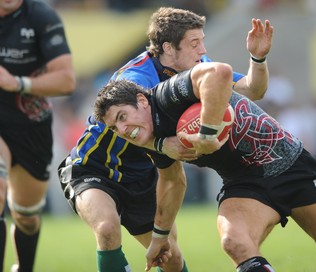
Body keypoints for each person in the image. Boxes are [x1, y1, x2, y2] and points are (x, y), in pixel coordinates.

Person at [93, 62, 316, 272]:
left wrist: (207, 135)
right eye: (114, 127)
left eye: (122, 117)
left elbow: (219, 73)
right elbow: (171, 181)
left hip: (290, 165)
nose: (122, 129)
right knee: (235, 242)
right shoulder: (151, 139)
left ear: (142, 101)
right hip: (243, 183)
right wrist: (159, 238)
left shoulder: (168, 94)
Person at [57, 6, 273, 272]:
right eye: (195, 43)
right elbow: (127, 127)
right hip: (94, 167)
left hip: (143, 174)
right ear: (169, 48)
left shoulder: (197, 68)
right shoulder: (135, 79)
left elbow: (253, 89)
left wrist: (258, 59)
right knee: (107, 227)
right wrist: (160, 144)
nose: (203, 51)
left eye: (202, 42)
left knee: (170, 258)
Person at [0, 0, 76, 271]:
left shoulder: (41, 16)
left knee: (27, 217)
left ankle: (25, 267)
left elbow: (67, 80)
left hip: (30, 127)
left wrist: (18, 83)